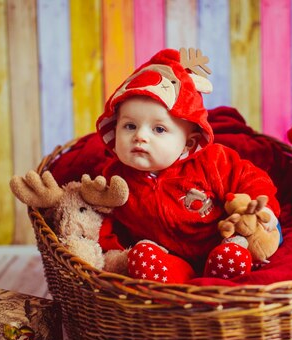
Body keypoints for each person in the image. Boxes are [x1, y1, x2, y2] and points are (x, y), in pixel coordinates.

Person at [97, 49, 280, 283]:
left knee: (236, 252)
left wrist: (262, 210)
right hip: (168, 257)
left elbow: (252, 179)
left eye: (159, 129)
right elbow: (106, 219)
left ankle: (223, 273)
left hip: (219, 241)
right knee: (142, 254)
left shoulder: (212, 161)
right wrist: (108, 251)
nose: (140, 136)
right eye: (130, 126)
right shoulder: (115, 177)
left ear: (188, 143)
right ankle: (177, 283)